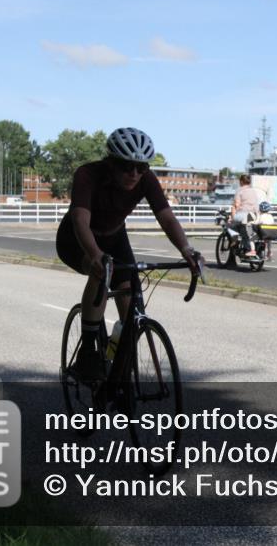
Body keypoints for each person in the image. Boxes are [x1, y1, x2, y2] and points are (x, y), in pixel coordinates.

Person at [55, 127, 199, 380]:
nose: (134, 173)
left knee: (129, 301)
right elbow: (80, 220)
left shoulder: (146, 179)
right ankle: (88, 352)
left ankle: (117, 361)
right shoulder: (88, 174)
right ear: (111, 162)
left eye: (141, 167)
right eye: (126, 166)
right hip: (77, 238)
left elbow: (166, 217)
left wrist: (187, 250)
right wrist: (95, 254)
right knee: (100, 272)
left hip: (114, 236)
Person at [230, 174, 260, 257]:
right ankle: (250, 247)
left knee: (229, 225)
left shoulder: (240, 191)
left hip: (244, 214)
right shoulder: (253, 191)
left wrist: (232, 218)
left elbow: (236, 205)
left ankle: (235, 240)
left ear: (241, 181)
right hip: (254, 214)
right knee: (247, 229)